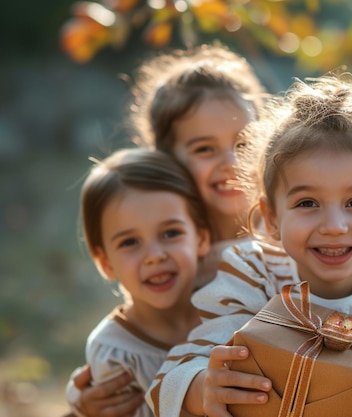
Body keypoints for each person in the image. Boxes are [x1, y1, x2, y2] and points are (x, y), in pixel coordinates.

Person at [145, 75, 352, 417]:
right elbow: (167, 380)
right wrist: (203, 388)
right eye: (307, 203)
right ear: (272, 217)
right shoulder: (253, 275)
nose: (334, 226)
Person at [66, 43, 268, 417]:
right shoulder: (176, 260)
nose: (231, 163)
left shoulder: (287, 240)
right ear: (166, 160)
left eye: (244, 143)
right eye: (205, 149)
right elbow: (138, 351)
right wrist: (80, 408)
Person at [66, 147, 211, 417]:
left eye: (170, 233)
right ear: (105, 262)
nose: (154, 256)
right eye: (129, 242)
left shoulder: (234, 308)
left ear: (201, 238)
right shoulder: (113, 352)